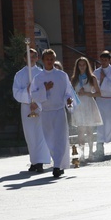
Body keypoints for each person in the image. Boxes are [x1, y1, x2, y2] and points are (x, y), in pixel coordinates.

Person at [31, 49, 76, 178]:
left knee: (60, 138)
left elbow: (68, 91)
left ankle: (57, 166)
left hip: (59, 111)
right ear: (43, 60)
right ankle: (58, 163)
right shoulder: (38, 78)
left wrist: (68, 100)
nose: (49, 61)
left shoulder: (62, 75)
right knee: (50, 139)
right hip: (46, 112)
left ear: (54, 59)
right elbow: (33, 95)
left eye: (51, 59)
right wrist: (45, 89)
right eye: (47, 59)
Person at [12, 48, 50, 173]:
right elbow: (16, 93)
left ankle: (40, 162)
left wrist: (37, 102)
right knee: (30, 135)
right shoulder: (19, 74)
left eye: (33, 57)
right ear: (24, 59)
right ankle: (34, 161)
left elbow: (46, 91)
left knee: (40, 134)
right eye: (28, 57)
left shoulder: (41, 73)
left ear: (37, 58)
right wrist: (27, 92)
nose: (31, 59)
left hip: (39, 107)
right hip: (26, 107)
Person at [70, 56, 103, 162]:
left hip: (89, 104)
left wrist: (87, 93)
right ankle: (82, 153)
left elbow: (98, 93)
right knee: (80, 131)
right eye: (80, 65)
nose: (82, 67)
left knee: (89, 130)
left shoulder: (92, 78)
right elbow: (70, 93)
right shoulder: (74, 79)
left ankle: (90, 153)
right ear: (77, 66)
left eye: (84, 65)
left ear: (87, 66)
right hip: (79, 105)